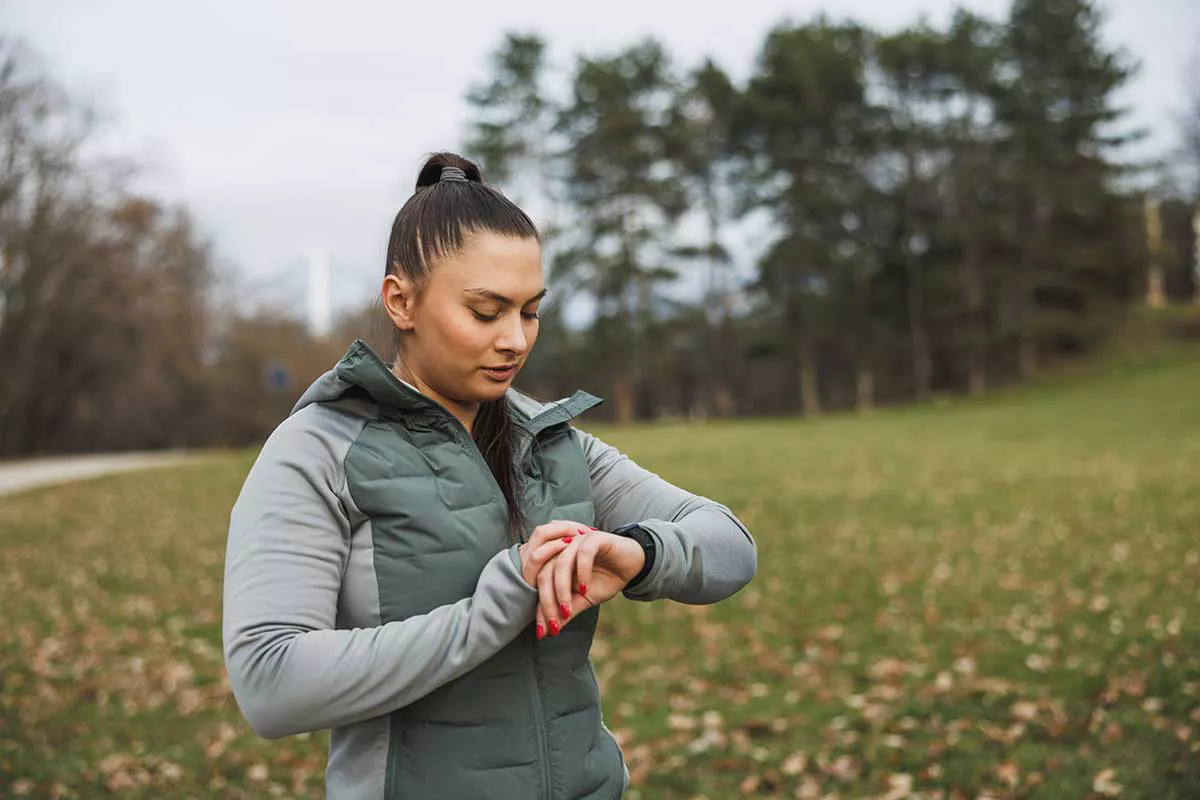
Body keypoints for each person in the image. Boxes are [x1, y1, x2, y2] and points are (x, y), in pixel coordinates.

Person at [222, 152, 757, 800]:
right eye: (486, 311)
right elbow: (270, 683)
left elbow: (729, 544)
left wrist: (640, 553)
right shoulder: (317, 451)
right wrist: (500, 602)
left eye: (530, 311)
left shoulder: (552, 441)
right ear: (401, 301)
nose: (515, 340)